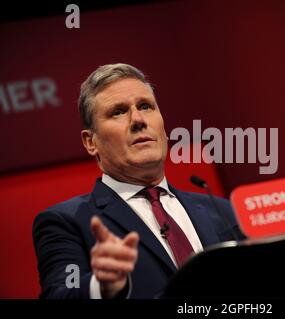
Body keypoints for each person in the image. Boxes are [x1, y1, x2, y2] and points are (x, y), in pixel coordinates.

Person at [32, 63, 244, 299]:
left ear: (163, 128)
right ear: (91, 142)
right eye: (119, 111)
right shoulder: (66, 222)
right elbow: (61, 292)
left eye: (145, 106)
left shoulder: (224, 212)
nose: (138, 119)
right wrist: (101, 286)